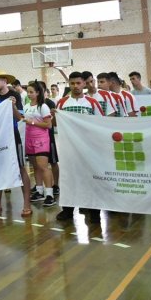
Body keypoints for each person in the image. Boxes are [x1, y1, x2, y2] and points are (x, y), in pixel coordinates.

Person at [55, 71, 105, 223]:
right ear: (69, 84)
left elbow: (101, 123)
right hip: (68, 148)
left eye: (78, 83)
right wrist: (53, 117)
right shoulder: (62, 103)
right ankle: (68, 210)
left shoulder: (92, 103)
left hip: (88, 148)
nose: (75, 86)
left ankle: (94, 212)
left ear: (84, 84)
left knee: (91, 179)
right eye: (72, 83)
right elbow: (56, 124)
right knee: (68, 178)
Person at [0, 70, 32, 217]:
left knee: (21, 168)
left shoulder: (14, 96)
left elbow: (20, 118)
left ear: (5, 81)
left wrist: (13, 107)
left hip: (12, 137)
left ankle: (27, 204)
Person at [17, 82, 55, 207]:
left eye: (31, 92)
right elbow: (22, 118)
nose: (29, 94)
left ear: (38, 93)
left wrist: (32, 122)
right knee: (36, 167)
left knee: (43, 166)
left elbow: (48, 125)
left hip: (41, 139)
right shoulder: (27, 105)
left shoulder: (43, 107)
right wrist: (12, 107)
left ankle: (49, 194)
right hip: (29, 139)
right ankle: (39, 191)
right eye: (27, 92)